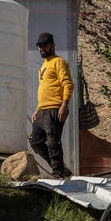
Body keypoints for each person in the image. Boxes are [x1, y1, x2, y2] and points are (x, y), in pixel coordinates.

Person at [29, 32, 74, 178]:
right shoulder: (44, 65)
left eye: (45, 45)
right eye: (40, 46)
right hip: (43, 110)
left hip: (56, 108)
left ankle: (58, 173)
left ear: (53, 45)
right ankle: (61, 168)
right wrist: (38, 109)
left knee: (53, 143)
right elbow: (45, 89)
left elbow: (67, 84)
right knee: (36, 142)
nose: (42, 48)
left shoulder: (59, 62)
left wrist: (64, 105)